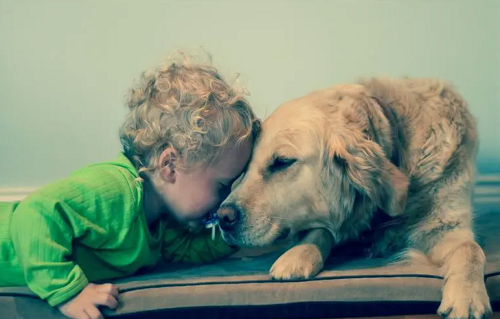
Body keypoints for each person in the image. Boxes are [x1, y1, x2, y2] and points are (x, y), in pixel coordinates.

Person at [0, 50, 259, 319]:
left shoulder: (160, 222)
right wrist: (67, 290)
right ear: (170, 165)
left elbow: (189, 250)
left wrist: (237, 231)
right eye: (222, 186)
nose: (225, 198)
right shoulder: (116, 190)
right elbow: (37, 212)